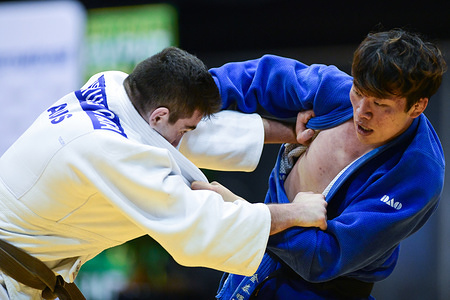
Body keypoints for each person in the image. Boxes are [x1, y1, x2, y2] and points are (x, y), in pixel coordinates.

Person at [0, 47, 328, 300]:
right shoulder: (106, 147)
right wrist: (294, 212)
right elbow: (197, 225)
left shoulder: (116, 89)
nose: (183, 139)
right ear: (158, 116)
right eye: (183, 129)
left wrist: (290, 133)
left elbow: (191, 133)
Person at [187, 29, 447, 299]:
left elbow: (324, 257)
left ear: (417, 106)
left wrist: (245, 214)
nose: (362, 112)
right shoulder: (335, 92)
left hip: (323, 290)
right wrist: (189, 95)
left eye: (380, 105)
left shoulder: (417, 172)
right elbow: (261, 77)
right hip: (255, 259)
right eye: (358, 92)